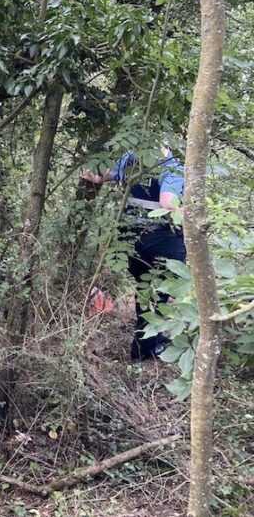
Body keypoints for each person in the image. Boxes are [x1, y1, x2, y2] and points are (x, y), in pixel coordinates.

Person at [81, 145, 185, 360]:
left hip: (129, 238)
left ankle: (152, 338)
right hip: (160, 238)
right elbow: (168, 203)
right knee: (159, 292)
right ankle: (144, 350)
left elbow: (98, 176)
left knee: (144, 289)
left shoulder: (130, 159)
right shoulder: (171, 167)